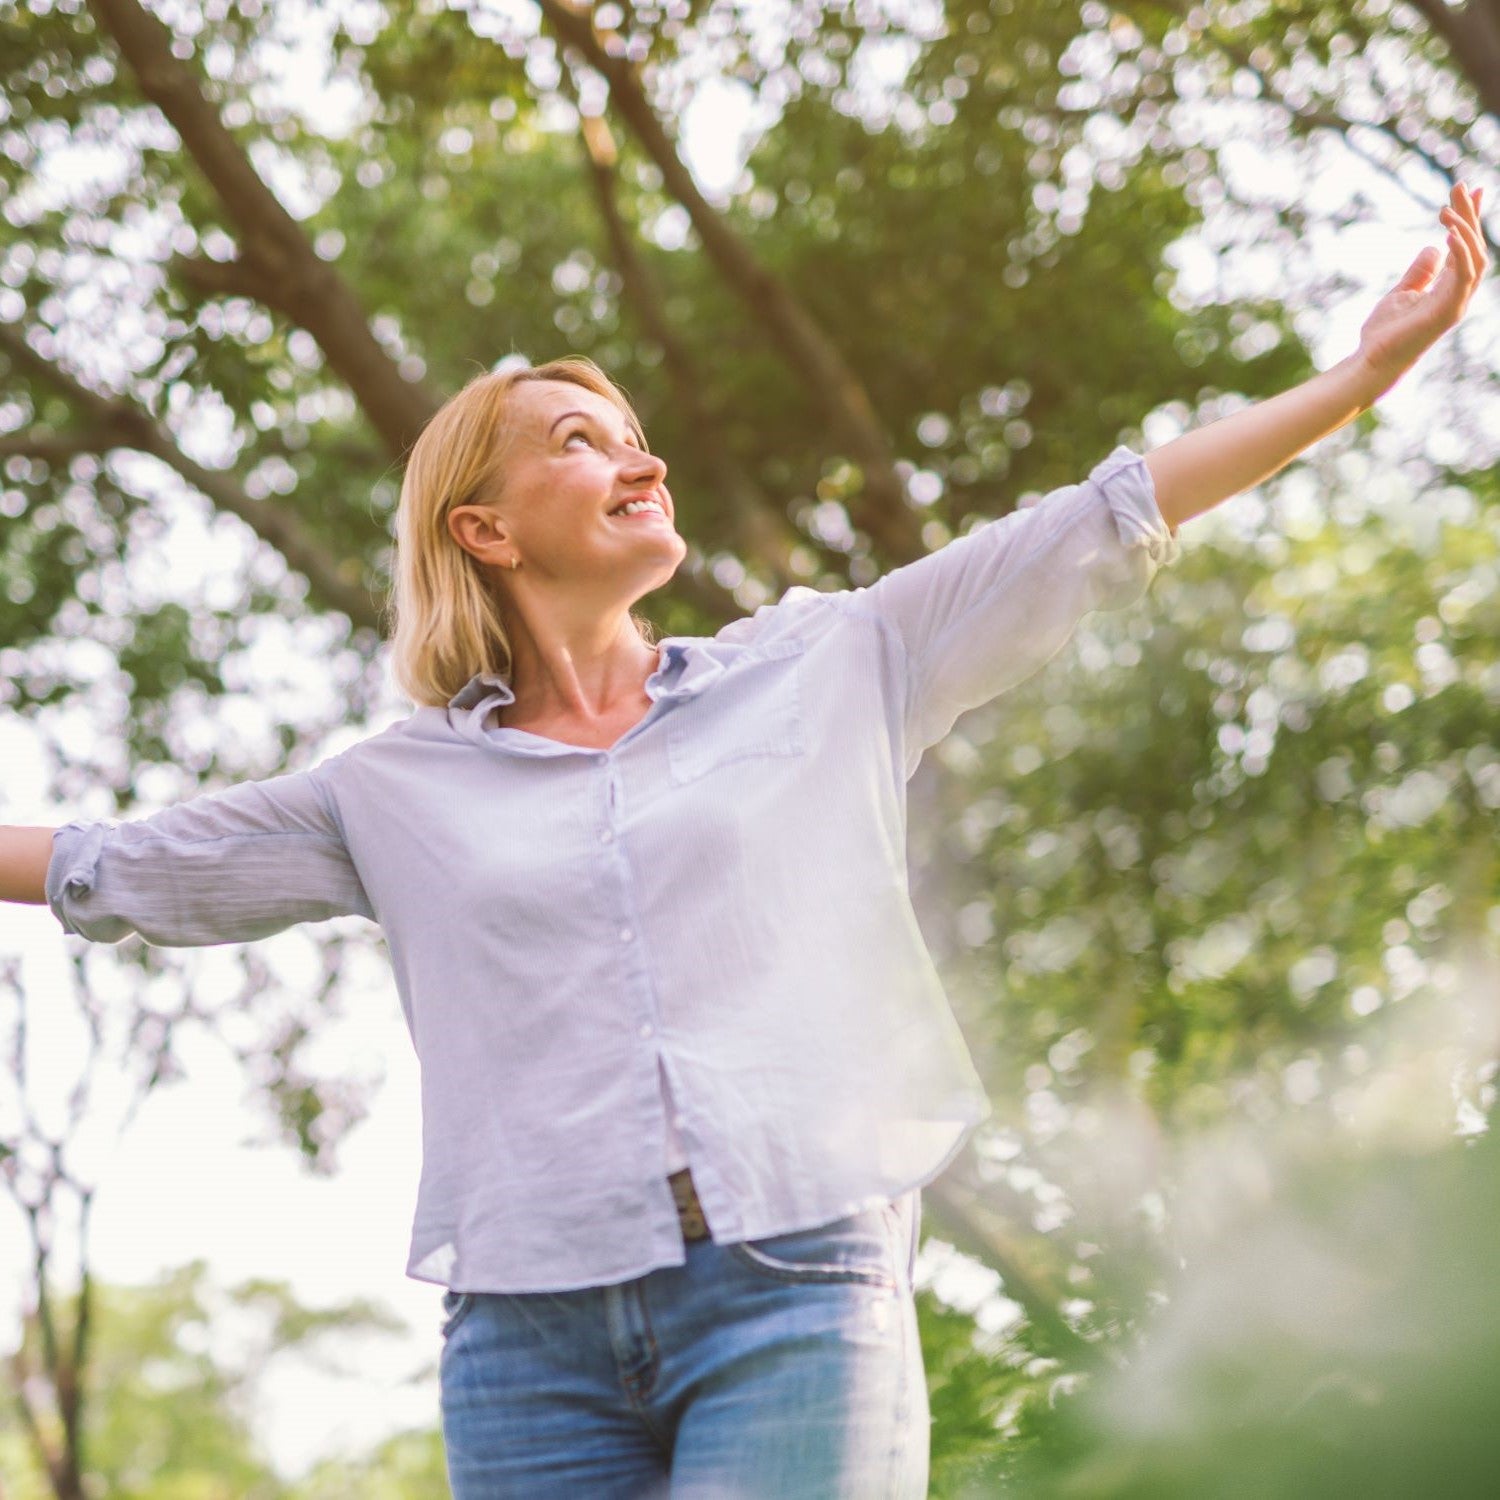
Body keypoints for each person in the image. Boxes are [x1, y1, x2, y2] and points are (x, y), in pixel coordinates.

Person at [0, 181, 1485, 1498]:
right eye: (583, 444)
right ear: (487, 533)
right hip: (525, 1338)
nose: (639, 462)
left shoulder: (830, 663)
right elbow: (116, 866)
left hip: (796, 1285)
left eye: (641, 439)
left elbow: (1104, 518)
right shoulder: (385, 795)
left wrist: (1359, 373)